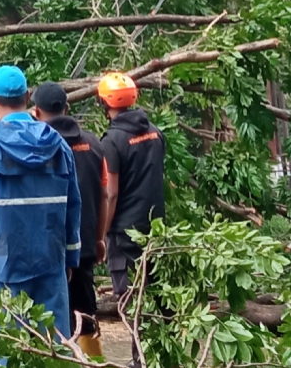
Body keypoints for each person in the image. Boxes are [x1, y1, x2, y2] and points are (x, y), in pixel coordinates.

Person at [0, 66, 82, 343]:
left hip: (3, 273)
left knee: (5, 349)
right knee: (52, 349)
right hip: (51, 269)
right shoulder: (59, 145)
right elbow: (73, 207)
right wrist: (71, 259)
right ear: (28, 96)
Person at [31, 82, 107, 357]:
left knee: (42, 314)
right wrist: (99, 237)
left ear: (36, 111)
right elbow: (106, 195)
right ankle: (93, 362)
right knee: (85, 313)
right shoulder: (94, 144)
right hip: (84, 243)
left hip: (44, 247)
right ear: (67, 107)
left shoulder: (34, 145)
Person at [97, 72, 165, 366]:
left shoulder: (112, 140)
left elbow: (110, 193)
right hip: (158, 229)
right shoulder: (155, 132)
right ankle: (160, 356)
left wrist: (102, 233)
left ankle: (140, 361)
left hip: (125, 233)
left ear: (104, 103)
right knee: (160, 299)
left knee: (130, 299)